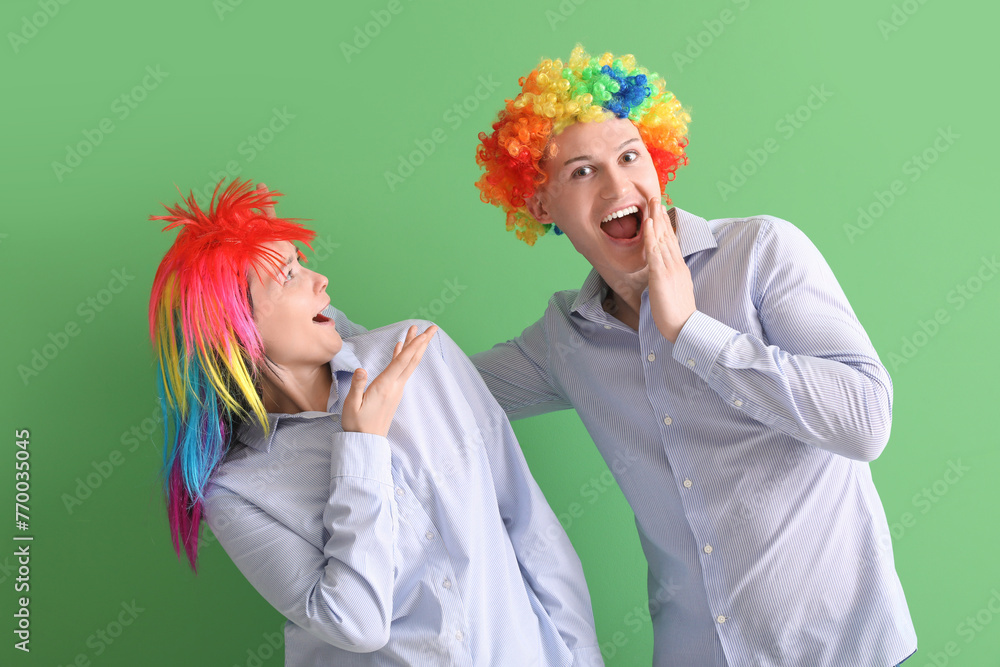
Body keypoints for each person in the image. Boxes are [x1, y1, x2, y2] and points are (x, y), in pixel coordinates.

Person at [466, 46, 918, 666]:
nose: (618, 185)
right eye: (582, 171)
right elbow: (433, 385)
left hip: (841, 649)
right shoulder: (564, 339)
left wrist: (690, 331)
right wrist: (324, 333)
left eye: (630, 156)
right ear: (540, 206)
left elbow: (864, 422)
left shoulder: (760, 252)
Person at [148, 179, 603, 666]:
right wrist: (361, 447)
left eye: (300, 261)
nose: (320, 279)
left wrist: (583, 658)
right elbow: (356, 624)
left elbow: (529, 523)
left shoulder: (420, 354)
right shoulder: (236, 490)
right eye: (288, 275)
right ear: (237, 329)